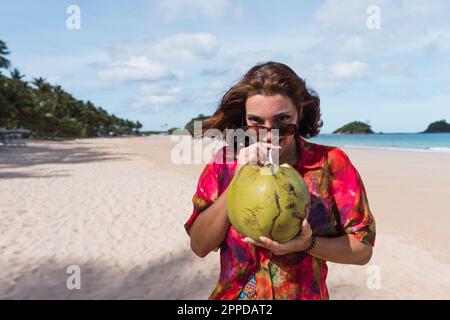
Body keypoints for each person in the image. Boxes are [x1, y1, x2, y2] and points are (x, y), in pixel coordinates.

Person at [184, 61, 376, 300]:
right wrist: (238, 179)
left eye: (282, 120)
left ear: (300, 112)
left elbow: (362, 251)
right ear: (245, 120)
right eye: (256, 122)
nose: (269, 133)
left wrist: (307, 244)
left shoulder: (330, 163)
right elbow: (199, 246)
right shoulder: (226, 162)